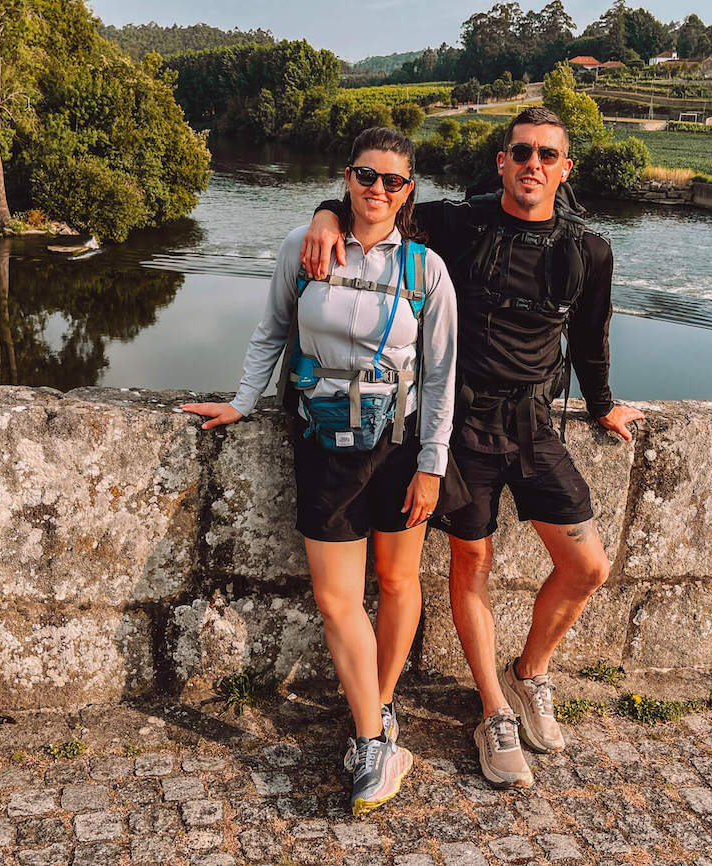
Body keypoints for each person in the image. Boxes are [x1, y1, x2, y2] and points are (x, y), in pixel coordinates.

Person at [301, 107, 644, 789]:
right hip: (462, 425)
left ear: (564, 168)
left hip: (534, 422)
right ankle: (493, 710)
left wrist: (602, 406)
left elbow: (591, 339)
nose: (533, 166)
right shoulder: (461, 222)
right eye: (522, 153)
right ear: (502, 161)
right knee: (472, 561)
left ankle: (530, 675)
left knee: (587, 565)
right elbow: (380, 204)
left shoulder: (589, 249)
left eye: (548, 156)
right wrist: (325, 215)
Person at [181, 127, 459, 815]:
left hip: (398, 445)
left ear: (408, 191)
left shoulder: (426, 270)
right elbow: (273, 330)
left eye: (393, 181)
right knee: (338, 598)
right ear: (348, 178)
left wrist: (432, 465)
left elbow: (445, 376)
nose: (378, 190)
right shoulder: (305, 250)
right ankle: (372, 740)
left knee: (396, 581)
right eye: (367, 176)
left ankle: (380, 704)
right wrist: (243, 401)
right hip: (323, 441)